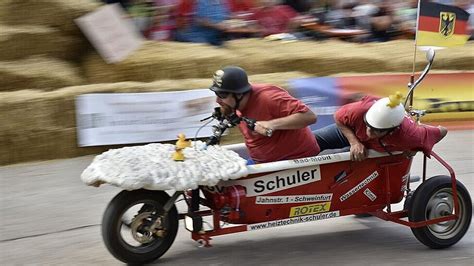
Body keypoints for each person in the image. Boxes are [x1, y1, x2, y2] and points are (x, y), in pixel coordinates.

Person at [209, 66, 320, 163]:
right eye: (216, 93)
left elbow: (309, 116)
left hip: (294, 162)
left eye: (222, 94)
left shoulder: (269, 97)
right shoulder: (235, 103)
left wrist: (272, 124)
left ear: (239, 94)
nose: (218, 100)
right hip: (262, 162)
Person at [315, 92, 448, 161]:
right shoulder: (360, 110)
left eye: (376, 131)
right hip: (353, 131)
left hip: (377, 149)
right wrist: (354, 142)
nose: (369, 132)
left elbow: (442, 131)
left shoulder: (410, 135)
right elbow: (338, 117)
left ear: (392, 131)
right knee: (312, 141)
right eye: (368, 125)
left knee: (333, 157)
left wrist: (416, 147)